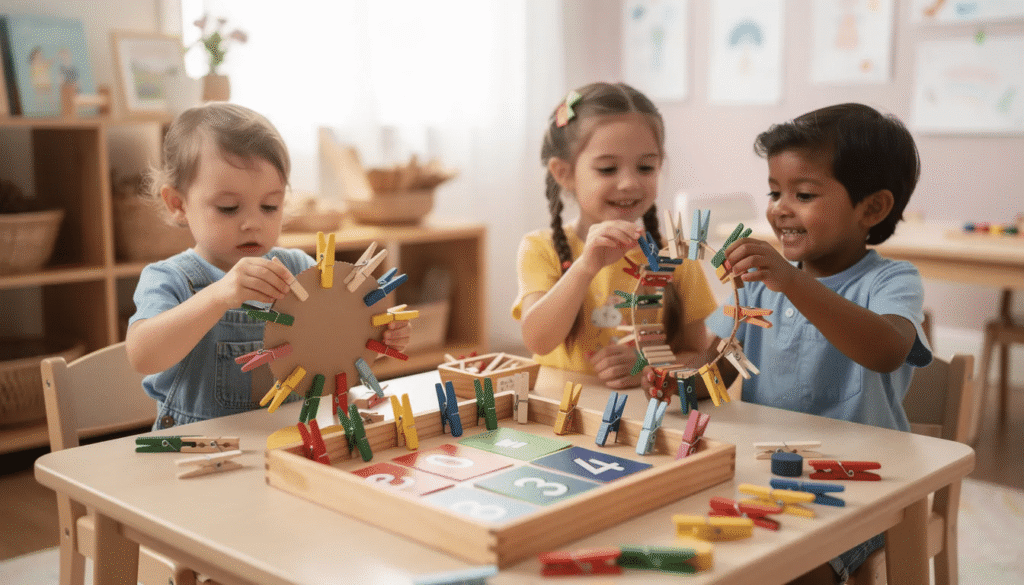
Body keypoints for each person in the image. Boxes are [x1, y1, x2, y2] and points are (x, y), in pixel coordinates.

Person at [650, 103, 931, 584]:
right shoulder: (760, 288)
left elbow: (886, 351)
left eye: (803, 194)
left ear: (873, 208)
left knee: (794, 571)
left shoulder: (892, 281)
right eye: (775, 191)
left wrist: (791, 283)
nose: (780, 208)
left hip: (862, 485)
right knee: (713, 554)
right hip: (768, 473)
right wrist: (667, 377)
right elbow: (716, 372)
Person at [125, 103, 410, 429]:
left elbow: (332, 347)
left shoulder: (297, 268)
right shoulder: (170, 278)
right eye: (229, 208)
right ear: (177, 204)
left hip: (291, 439)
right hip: (200, 450)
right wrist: (219, 296)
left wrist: (379, 339)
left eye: (270, 206)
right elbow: (143, 356)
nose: (253, 223)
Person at [513, 82, 718, 389]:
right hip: (557, 413)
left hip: (641, 416)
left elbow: (698, 354)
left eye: (646, 167)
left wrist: (648, 368)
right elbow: (539, 340)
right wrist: (585, 267)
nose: (629, 183)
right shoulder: (540, 248)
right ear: (564, 173)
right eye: (608, 169)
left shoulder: (675, 257)